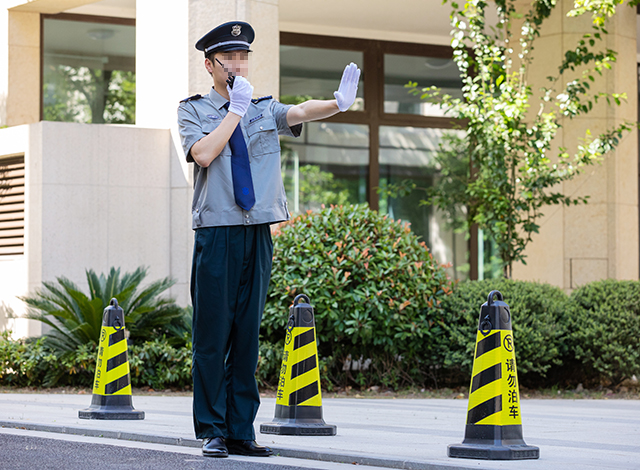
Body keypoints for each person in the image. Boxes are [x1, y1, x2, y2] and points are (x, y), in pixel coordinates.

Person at [177, 20, 360, 458]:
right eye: (230, 58)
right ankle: (213, 430)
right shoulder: (193, 110)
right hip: (217, 231)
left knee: (247, 336)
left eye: (244, 57)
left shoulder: (262, 108)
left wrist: (337, 104)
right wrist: (234, 112)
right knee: (212, 335)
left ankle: (242, 429)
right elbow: (202, 153)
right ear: (210, 65)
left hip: (257, 229)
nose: (239, 64)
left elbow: (298, 112)